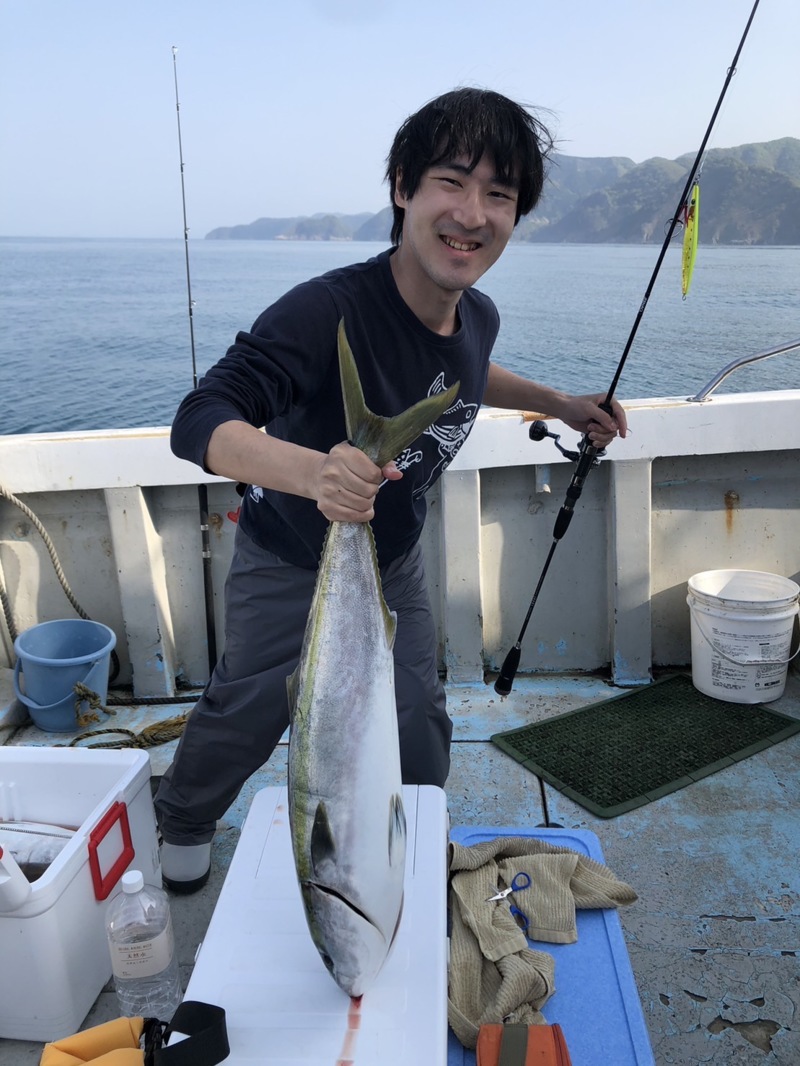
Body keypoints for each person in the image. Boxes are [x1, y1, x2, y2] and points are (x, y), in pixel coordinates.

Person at [154, 87, 628, 892]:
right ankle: (184, 820)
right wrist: (315, 474)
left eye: (500, 195)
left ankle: (406, 838)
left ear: (517, 216)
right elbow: (200, 418)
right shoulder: (324, 311)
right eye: (451, 182)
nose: (472, 213)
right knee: (249, 712)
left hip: (394, 560)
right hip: (290, 558)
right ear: (403, 186)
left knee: (415, 715)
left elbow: (464, 376)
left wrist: (557, 402)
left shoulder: (476, 314)